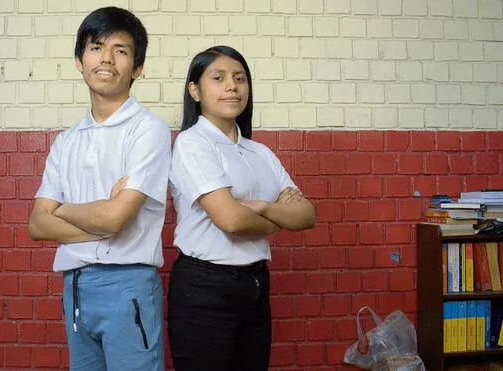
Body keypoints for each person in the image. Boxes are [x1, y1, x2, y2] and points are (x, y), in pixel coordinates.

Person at [28, 7, 170, 371]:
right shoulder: (66, 141)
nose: (106, 58)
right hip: (75, 287)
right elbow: (37, 226)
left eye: (121, 50)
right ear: (79, 60)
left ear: (137, 67)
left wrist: (62, 209)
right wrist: (102, 213)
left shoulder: (147, 130)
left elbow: (115, 219)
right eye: (96, 47)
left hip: (128, 287)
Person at [167, 45, 317, 371]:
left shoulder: (259, 152)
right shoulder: (193, 143)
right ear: (195, 90)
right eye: (218, 78)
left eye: (239, 78)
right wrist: (279, 216)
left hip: (255, 286)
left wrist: (261, 206)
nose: (232, 86)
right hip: (205, 288)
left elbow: (306, 216)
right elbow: (231, 220)